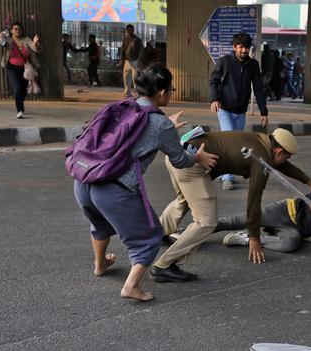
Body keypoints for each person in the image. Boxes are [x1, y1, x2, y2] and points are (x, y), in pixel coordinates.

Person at [72, 64, 217, 302]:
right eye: (170, 89)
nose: (171, 93)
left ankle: (100, 266)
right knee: (150, 237)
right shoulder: (161, 124)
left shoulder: (124, 106)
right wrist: (198, 157)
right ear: (161, 92)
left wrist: (166, 125)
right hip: (114, 188)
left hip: (85, 179)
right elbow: (180, 160)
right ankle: (131, 286)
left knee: (99, 223)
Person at [153, 128, 311, 281]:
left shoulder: (260, 140)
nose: (286, 161)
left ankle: (157, 234)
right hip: (193, 164)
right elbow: (253, 201)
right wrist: (254, 236)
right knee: (206, 222)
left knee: (183, 200)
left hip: (179, 155)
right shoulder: (261, 160)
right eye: (286, 157)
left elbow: (282, 165)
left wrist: (310, 182)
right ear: (279, 151)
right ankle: (165, 265)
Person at [212, 178, 311, 265]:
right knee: (235, 221)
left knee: (291, 243)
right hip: (284, 211)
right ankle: (198, 229)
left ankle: (247, 238)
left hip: (294, 230)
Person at [209, 32, 268, 191]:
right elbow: (214, 80)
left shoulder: (253, 65)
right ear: (234, 47)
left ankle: (227, 172)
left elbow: (258, 89)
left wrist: (264, 112)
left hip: (240, 111)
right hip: (225, 108)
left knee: (237, 143)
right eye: (240, 47)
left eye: (246, 47)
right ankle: (227, 177)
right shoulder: (225, 61)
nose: (243, 50)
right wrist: (214, 99)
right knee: (230, 142)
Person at [0, 22, 40, 119]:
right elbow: (1, 43)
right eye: (15, 29)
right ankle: (20, 110)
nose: (17, 31)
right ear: (11, 30)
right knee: (17, 88)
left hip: (24, 69)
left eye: (19, 29)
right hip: (11, 68)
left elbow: (35, 48)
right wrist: (0, 38)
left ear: (22, 31)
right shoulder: (8, 40)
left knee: (23, 90)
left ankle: (20, 101)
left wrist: (35, 43)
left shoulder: (26, 40)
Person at [118, 24, 143, 97]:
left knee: (135, 77)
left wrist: (139, 60)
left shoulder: (137, 40)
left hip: (135, 60)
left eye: (131, 30)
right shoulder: (125, 39)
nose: (129, 31)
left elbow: (141, 51)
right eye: (128, 30)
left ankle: (137, 93)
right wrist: (121, 59)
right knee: (126, 77)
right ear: (126, 30)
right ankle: (127, 92)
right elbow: (123, 49)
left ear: (133, 30)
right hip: (127, 61)